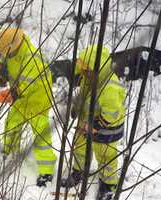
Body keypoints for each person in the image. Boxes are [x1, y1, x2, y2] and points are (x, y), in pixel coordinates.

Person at [0, 27, 57, 187]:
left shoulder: (32, 59)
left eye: (7, 52)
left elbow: (21, 89)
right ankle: (9, 152)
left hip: (38, 100)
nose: (6, 55)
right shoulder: (15, 46)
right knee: (12, 123)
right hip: (22, 97)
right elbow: (5, 54)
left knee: (41, 136)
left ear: (14, 47)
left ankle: (47, 172)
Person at [61, 45, 126, 200]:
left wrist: (96, 126)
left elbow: (112, 113)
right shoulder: (88, 79)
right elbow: (82, 94)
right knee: (80, 147)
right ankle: (79, 171)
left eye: (88, 69)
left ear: (98, 68)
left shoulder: (109, 86)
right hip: (87, 122)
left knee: (106, 156)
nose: (84, 73)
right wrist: (76, 107)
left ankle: (108, 186)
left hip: (106, 128)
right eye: (83, 69)